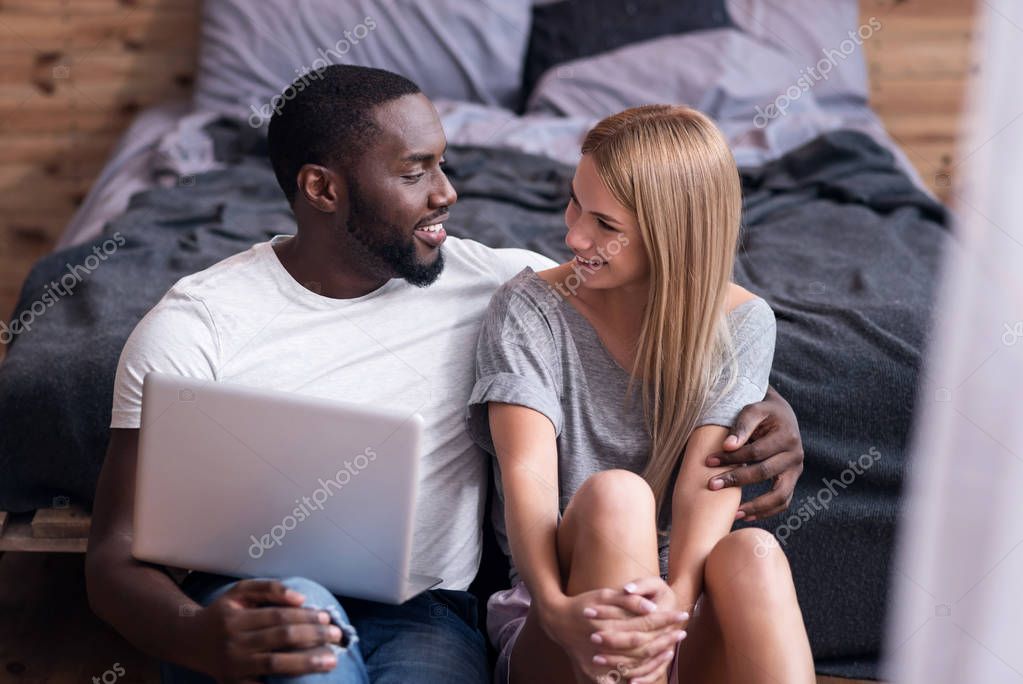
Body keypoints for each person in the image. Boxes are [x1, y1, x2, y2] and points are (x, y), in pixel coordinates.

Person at [85, 66, 806, 683]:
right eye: (414, 171)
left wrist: (765, 402)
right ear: (321, 189)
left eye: (441, 164)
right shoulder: (195, 326)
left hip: (423, 612)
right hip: (256, 591)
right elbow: (113, 560)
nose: (447, 194)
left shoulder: (486, 279)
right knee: (304, 627)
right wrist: (195, 637)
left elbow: (648, 313)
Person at [468, 105, 815, 684]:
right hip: (560, 615)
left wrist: (677, 601)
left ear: (670, 233)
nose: (573, 234)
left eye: (606, 224)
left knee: (753, 554)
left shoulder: (743, 320)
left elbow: (710, 481)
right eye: (575, 201)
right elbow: (525, 476)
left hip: (682, 608)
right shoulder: (529, 310)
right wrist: (555, 609)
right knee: (617, 498)